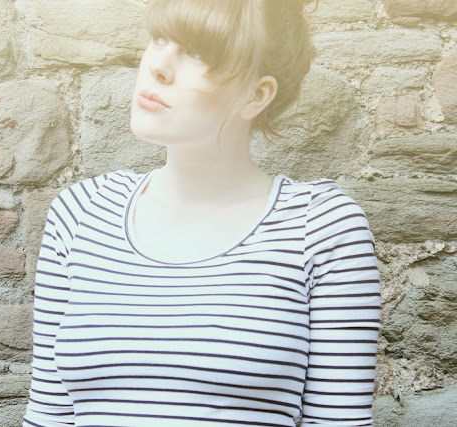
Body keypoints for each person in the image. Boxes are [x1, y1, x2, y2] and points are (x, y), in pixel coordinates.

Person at [23, 0, 381, 425]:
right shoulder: (81, 212)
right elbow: (48, 415)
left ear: (256, 95)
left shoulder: (321, 226)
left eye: (196, 52)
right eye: (159, 38)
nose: (158, 65)